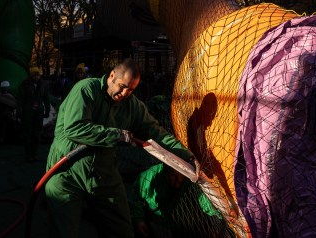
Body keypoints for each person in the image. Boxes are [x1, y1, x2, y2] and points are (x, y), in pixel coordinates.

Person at [44, 58, 196, 238]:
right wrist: (116, 135)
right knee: (64, 232)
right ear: (111, 75)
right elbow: (74, 128)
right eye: (122, 86)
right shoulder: (86, 89)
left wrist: (186, 155)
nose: (124, 93)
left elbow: (155, 132)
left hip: (104, 174)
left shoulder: (133, 106)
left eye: (131, 89)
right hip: (66, 174)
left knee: (121, 230)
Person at [129, 163, 228, 238]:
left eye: (181, 175)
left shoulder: (187, 177)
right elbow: (134, 198)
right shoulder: (148, 178)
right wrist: (138, 220)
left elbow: (203, 198)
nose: (178, 181)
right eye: (173, 176)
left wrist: (219, 213)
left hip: (166, 217)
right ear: (165, 171)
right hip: (146, 213)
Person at [17, 66, 51, 162]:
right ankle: (28, 154)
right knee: (27, 134)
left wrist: (47, 110)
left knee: (37, 134)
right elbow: (20, 99)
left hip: (38, 113)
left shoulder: (42, 85)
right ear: (31, 76)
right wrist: (19, 111)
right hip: (27, 113)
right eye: (34, 75)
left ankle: (34, 154)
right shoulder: (25, 84)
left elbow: (46, 98)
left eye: (37, 75)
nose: (36, 77)